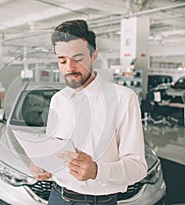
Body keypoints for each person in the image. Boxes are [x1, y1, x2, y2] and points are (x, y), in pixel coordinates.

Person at [29, 19, 147, 205]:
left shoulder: (124, 99)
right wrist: (42, 165)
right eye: (62, 60)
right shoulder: (58, 100)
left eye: (77, 59)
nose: (69, 68)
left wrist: (97, 171)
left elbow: (138, 168)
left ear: (94, 56)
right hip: (57, 197)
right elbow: (54, 151)